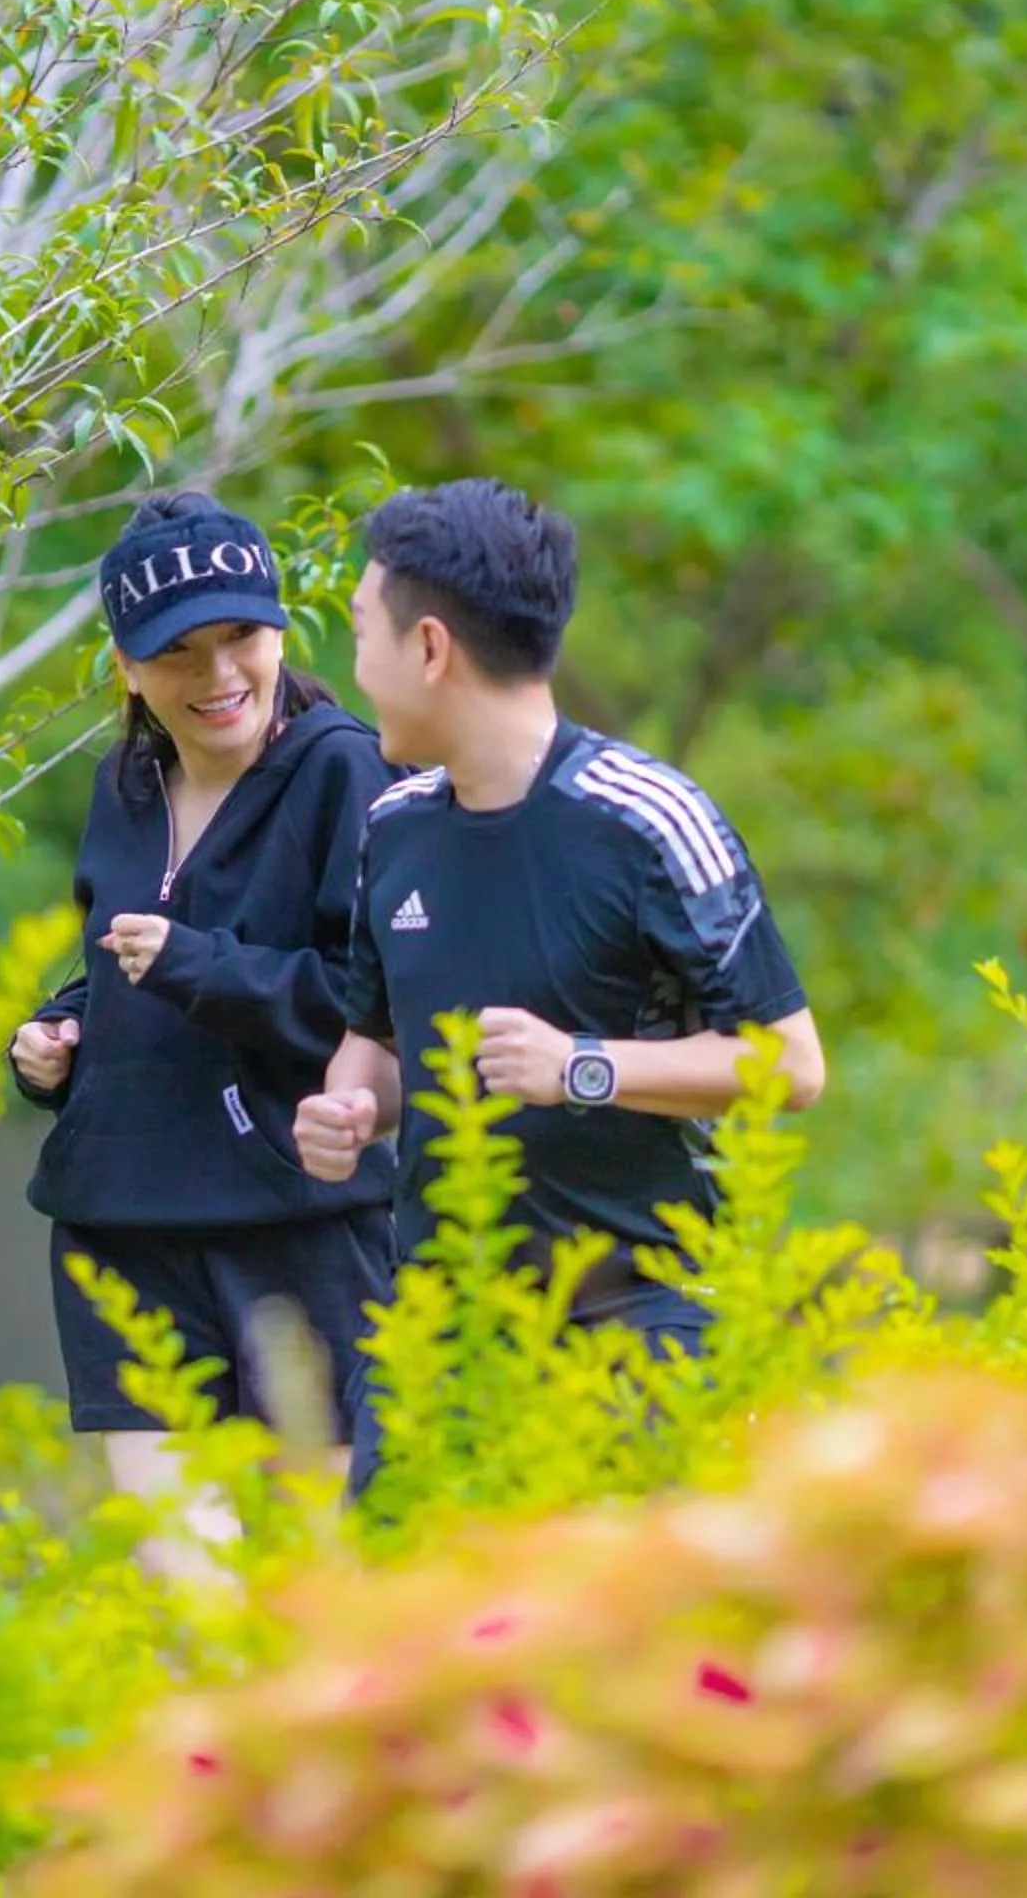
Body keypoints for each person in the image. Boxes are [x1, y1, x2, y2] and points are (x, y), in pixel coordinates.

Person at [293, 476, 826, 1439]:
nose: (353, 663)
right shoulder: (391, 827)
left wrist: (581, 1067)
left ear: (428, 648)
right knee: (401, 1595)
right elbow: (375, 1044)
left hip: (641, 1329)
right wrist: (351, 1108)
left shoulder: (647, 817)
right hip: (439, 1336)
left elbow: (791, 1065)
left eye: (362, 629)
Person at [10, 489, 399, 1564]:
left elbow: (375, 1002)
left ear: (279, 628)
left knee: (321, 1577)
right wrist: (55, 1038)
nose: (219, 673)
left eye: (240, 635)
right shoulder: (124, 783)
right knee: (183, 1582)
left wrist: (201, 967)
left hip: (295, 1220)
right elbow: (118, 964)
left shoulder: (344, 771)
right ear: (127, 667)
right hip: (121, 1220)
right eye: (180, 651)